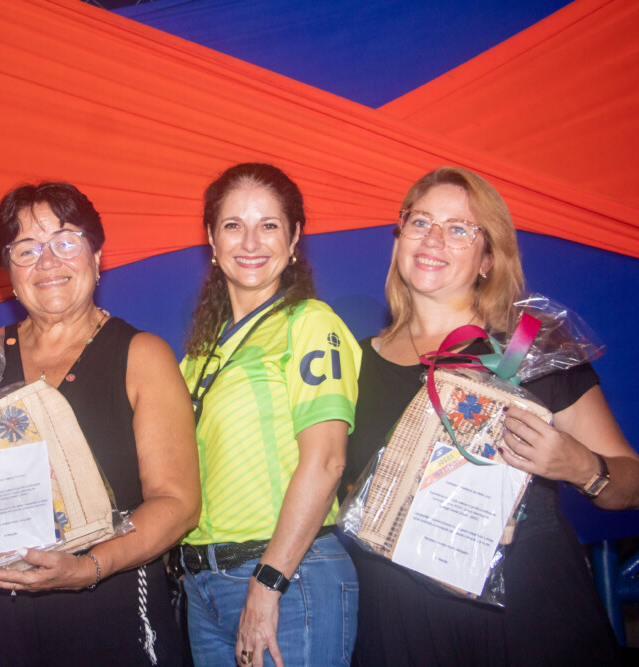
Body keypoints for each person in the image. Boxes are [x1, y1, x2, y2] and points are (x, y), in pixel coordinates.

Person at [342, 166, 639, 666]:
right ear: (399, 237)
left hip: (528, 616)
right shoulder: (353, 364)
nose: (433, 238)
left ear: (487, 259)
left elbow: (630, 481)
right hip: (399, 624)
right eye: (420, 221)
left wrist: (582, 467)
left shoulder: (530, 345)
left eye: (459, 228)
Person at [0, 181, 201, 666]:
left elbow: (178, 504)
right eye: (26, 249)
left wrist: (89, 567)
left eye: (66, 242)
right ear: (8, 271)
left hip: (103, 607)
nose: (47, 262)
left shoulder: (140, 355)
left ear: (97, 255)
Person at [178, 163, 361, 667]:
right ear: (211, 239)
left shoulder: (311, 323)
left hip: (288, 578)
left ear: (294, 237)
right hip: (204, 586)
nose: (250, 242)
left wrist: (268, 580)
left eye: (269, 225)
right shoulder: (198, 356)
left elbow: (327, 462)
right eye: (233, 225)